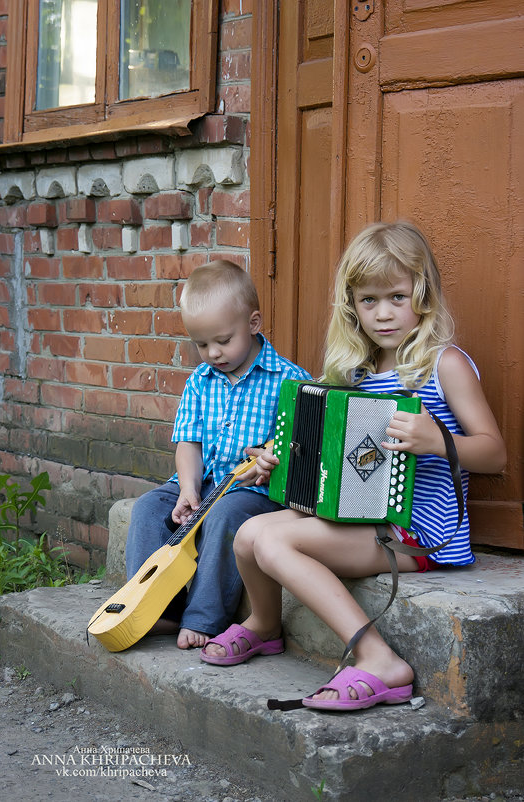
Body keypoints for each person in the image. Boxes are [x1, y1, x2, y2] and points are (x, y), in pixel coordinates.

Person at [200, 221, 506, 711]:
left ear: (423, 295)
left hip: (419, 531)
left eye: (397, 297)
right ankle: (264, 623)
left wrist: (435, 439)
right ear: (351, 305)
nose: (383, 314)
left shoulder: (442, 365)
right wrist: (275, 459)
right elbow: (321, 450)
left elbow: (494, 453)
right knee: (248, 532)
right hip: (363, 515)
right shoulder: (355, 374)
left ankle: (377, 657)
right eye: (368, 301)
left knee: (275, 540)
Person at [125, 259, 312, 650]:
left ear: (254, 323)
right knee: (146, 508)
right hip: (205, 481)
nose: (213, 353)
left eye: (223, 340)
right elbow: (188, 442)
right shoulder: (200, 381)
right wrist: (188, 490)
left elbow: (304, 448)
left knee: (225, 515)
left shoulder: (291, 381)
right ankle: (158, 608)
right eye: (201, 344)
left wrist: (272, 458)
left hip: (253, 492)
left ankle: (204, 617)